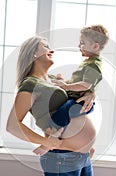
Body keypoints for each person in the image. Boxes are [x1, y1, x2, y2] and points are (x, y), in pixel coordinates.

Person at [9, 35, 97, 176]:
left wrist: (91, 94)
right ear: (33, 54)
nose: (52, 50)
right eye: (45, 45)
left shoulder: (51, 80)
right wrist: (46, 142)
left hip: (81, 156)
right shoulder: (30, 84)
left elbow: (76, 96)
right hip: (62, 158)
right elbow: (13, 125)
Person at [33, 24, 109, 156]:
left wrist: (66, 86)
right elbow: (78, 83)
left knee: (61, 114)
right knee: (61, 110)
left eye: (82, 43)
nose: (79, 46)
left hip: (79, 102)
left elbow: (86, 85)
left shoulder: (94, 64)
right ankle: (86, 149)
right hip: (76, 99)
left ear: (95, 46)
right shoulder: (88, 62)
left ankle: (50, 141)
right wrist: (63, 82)